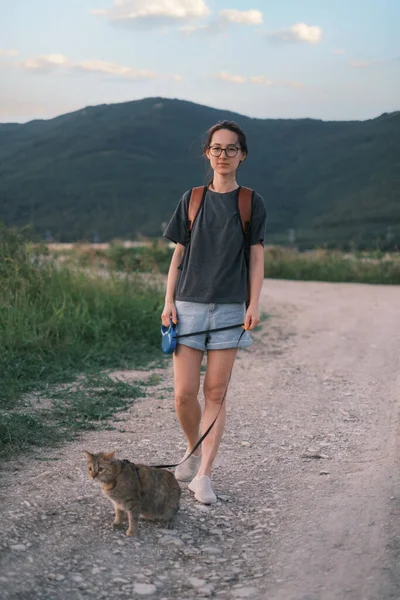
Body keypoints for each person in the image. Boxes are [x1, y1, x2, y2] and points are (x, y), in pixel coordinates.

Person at [161, 120, 266, 504]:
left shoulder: (251, 202)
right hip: (187, 306)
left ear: (243, 155)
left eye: (231, 149)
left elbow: (256, 256)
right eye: (217, 148)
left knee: (216, 392)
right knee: (184, 394)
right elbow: (178, 255)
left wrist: (253, 303)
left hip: (228, 309)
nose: (224, 155)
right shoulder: (192, 199)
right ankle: (193, 446)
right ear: (207, 152)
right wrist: (168, 301)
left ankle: (204, 474)